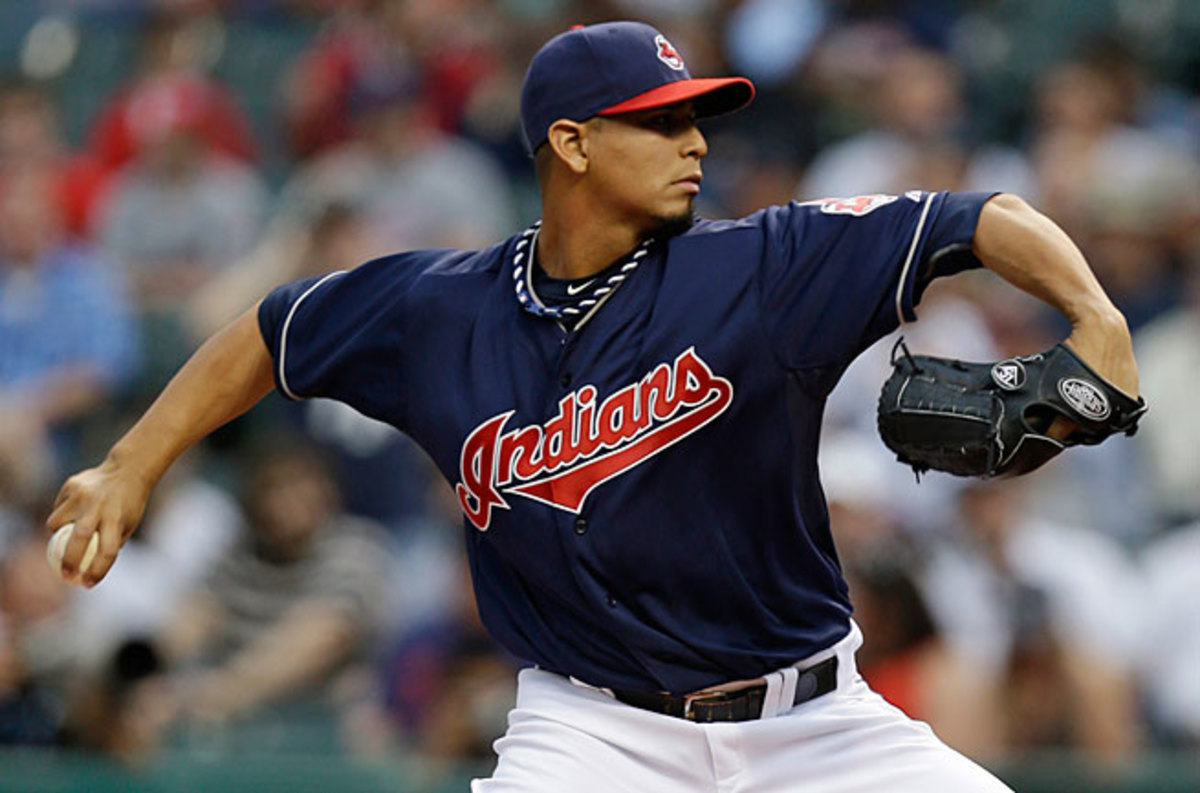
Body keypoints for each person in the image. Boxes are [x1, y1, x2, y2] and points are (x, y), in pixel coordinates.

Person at [48, 20, 1141, 792]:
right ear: (572, 144)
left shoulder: (764, 265)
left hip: (818, 726)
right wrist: (134, 464)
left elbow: (971, 215)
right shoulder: (440, 307)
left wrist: (1096, 317)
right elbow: (268, 333)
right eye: (661, 124)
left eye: (697, 119)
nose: (697, 143)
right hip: (595, 734)